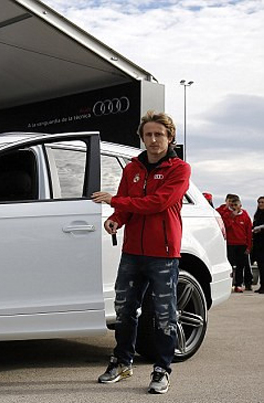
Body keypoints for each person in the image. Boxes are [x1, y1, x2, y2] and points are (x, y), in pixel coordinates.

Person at [92, 111, 190, 394]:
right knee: (123, 310)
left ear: (170, 137)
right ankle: (123, 362)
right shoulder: (131, 169)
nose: (153, 139)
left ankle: (162, 369)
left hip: (164, 254)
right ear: (142, 138)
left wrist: (116, 201)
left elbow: (158, 203)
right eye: (148, 134)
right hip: (132, 252)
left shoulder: (179, 169)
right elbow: (127, 206)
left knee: (164, 314)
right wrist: (115, 219)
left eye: (159, 134)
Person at [218, 195, 253, 292]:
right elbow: (225, 226)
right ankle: (229, 284)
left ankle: (239, 284)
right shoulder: (226, 214)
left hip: (242, 244)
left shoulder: (245, 215)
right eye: (232, 205)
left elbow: (249, 231)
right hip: (230, 244)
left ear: (240, 205)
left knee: (241, 265)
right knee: (230, 265)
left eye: (236, 205)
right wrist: (231, 216)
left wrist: (249, 246)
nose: (234, 207)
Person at [252, 196, 264, 294]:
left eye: (262, 202)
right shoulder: (257, 215)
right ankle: (262, 285)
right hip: (258, 243)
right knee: (260, 266)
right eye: (259, 202)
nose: (260, 204)